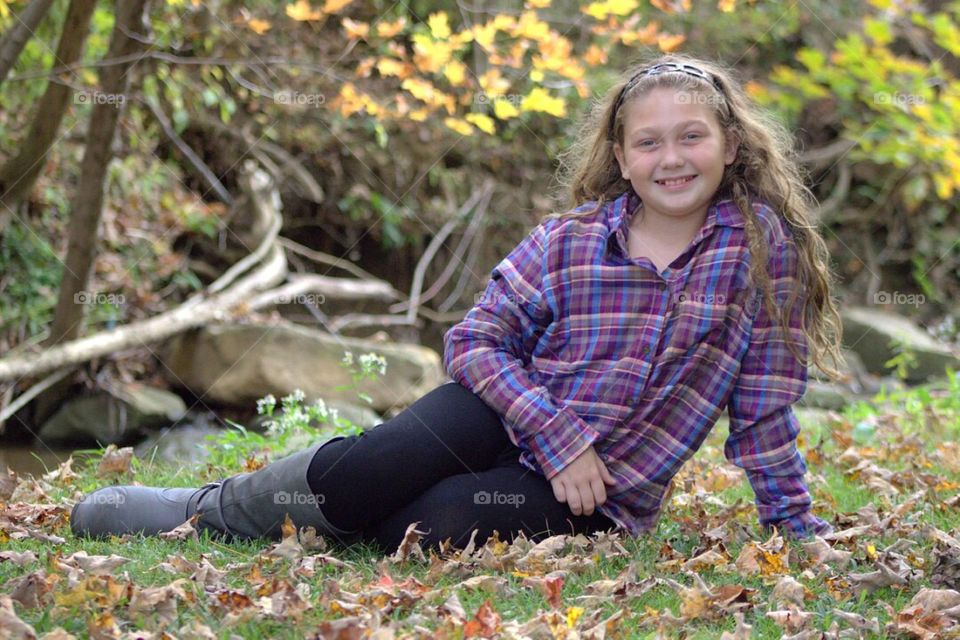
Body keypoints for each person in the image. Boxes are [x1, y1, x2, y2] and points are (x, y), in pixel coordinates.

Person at [71, 52, 844, 553]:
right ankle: (210, 511)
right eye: (649, 142)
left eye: (691, 138)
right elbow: (474, 342)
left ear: (731, 145)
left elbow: (764, 407)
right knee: (371, 468)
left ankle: (309, 530)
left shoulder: (761, 251)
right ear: (620, 157)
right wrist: (559, 431)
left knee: (433, 525)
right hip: (511, 417)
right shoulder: (569, 238)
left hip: (600, 491)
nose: (671, 159)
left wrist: (793, 527)